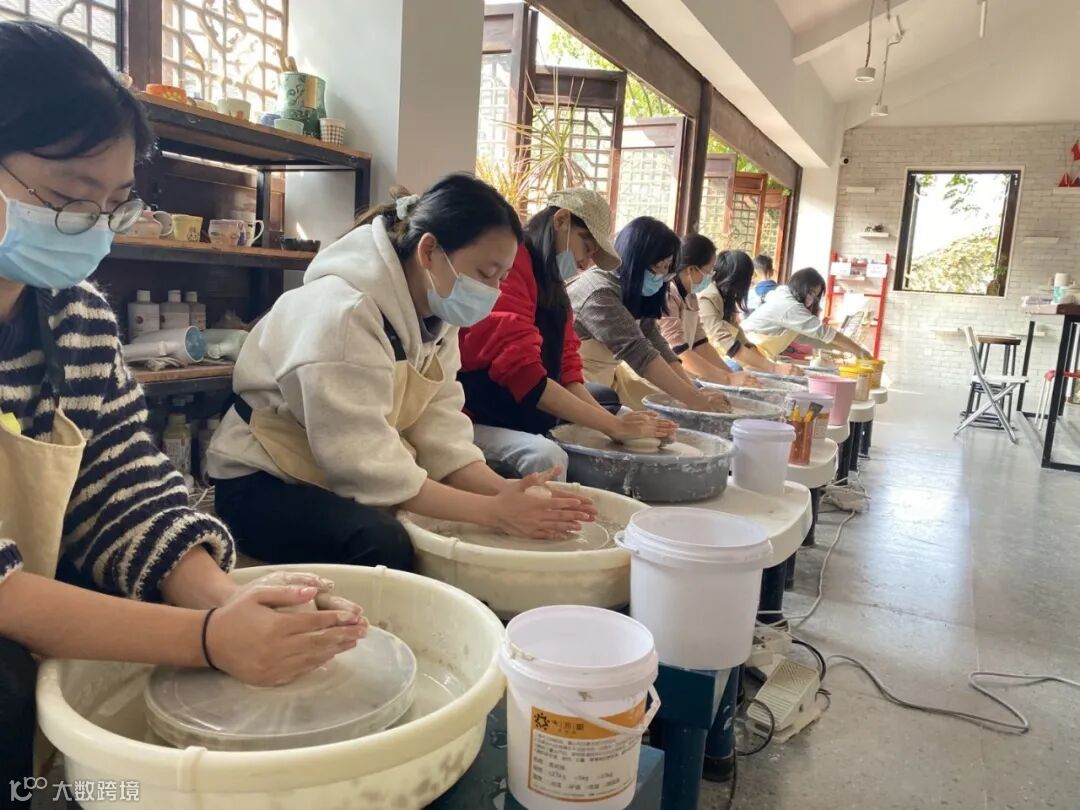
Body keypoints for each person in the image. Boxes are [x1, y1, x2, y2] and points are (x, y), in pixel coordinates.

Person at [0, 22, 365, 801]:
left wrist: (235, 604)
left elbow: (123, 488)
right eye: (66, 199)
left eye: (113, 205)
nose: (92, 229)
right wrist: (207, 637)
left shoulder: (75, 316)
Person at [209, 174, 596, 570]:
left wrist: (507, 492)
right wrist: (495, 512)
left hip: (333, 468)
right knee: (385, 542)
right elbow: (363, 464)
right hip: (262, 480)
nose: (494, 291)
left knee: (473, 498)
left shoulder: (438, 317)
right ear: (428, 251)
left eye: (502, 277)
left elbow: (440, 429)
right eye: (485, 273)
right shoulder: (343, 313)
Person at [458, 188, 670, 479]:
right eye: (587, 246)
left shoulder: (554, 286)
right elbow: (522, 372)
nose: (585, 262)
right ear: (561, 221)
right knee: (547, 457)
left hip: (525, 409)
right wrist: (613, 426)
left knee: (615, 417)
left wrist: (615, 425)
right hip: (475, 414)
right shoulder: (511, 265)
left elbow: (568, 371)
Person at [567, 216, 730, 412]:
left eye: (667, 268)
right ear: (636, 260)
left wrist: (693, 391)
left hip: (607, 378)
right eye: (659, 267)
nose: (662, 276)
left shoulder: (634, 290)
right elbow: (638, 351)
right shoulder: (599, 293)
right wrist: (697, 400)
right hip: (576, 383)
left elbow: (654, 339)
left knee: (669, 408)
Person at [659, 234, 763, 387]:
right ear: (692, 270)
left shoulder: (691, 296)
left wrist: (731, 376)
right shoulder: (668, 294)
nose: (711, 277)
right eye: (709, 271)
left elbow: (701, 345)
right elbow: (678, 351)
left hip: (682, 372)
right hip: (661, 376)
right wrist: (728, 378)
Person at [698, 250, 803, 376]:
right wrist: (774, 368)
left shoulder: (725, 299)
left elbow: (742, 341)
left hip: (715, 356)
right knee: (736, 368)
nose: (750, 285)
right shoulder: (707, 298)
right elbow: (726, 343)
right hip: (698, 362)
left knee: (748, 371)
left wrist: (769, 366)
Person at [742, 266, 872, 359]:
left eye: (815, 296)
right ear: (800, 286)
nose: (811, 299)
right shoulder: (789, 306)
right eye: (811, 293)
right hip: (744, 351)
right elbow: (824, 332)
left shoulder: (786, 299)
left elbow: (810, 338)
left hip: (754, 354)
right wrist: (860, 352)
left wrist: (848, 350)